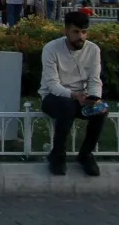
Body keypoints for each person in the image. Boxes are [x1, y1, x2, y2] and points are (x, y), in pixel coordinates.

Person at [39, 11, 108, 177]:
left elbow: (95, 79)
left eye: (84, 32)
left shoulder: (93, 49)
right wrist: (74, 95)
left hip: (81, 98)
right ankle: (57, 155)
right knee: (67, 107)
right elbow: (52, 84)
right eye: (76, 32)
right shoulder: (51, 49)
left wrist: (94, 98)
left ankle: (86, 155)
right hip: (53, 97)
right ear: (66, 31)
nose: (81, 37)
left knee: (101, 110)